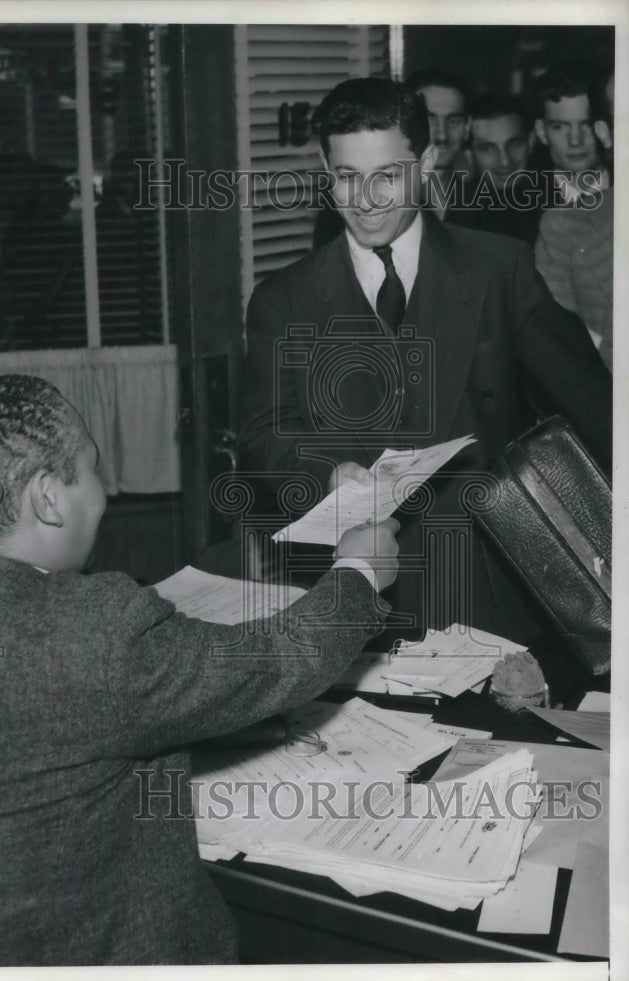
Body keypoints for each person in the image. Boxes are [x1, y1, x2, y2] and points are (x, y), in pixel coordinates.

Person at [0, 374, 399, 967]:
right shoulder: (91, 629)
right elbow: (276, 660)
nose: (105, 494)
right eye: (94, 471)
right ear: (49, 498)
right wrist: (358, 572)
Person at [237, 75, 611, 662]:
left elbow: (594, 407)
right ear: (323, 168)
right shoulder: (284, 299)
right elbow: (262, 436)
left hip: (493, 593)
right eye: (346, 177)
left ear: (428, 161)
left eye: (387, 175)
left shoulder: (498, 269)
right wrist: (328, 476)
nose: (366, 200)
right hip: (354, 590)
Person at [534, 64, 613, 371]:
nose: (576, 140)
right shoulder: (510, 212)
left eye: (586, 124)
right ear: (541, 131)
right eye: (560, 127)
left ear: (603, 129)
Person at [450, 94, 542, 244]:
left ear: (531, 142)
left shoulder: (558, 206)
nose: (505, 161)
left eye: (513, 144)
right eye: (488, 149)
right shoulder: (459, 221)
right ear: (469, 155)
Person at [406, 69, 472, 219]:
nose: (442, 135)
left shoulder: (487, 203)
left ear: (467, 128)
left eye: (453, 121)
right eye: (430, 120)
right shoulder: (377, 198)